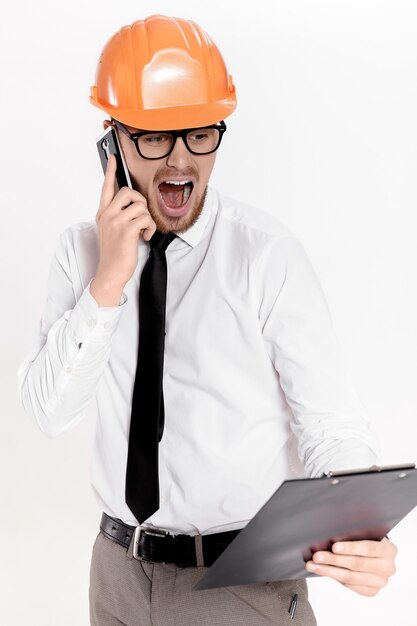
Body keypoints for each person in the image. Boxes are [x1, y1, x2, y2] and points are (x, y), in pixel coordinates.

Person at [18, 14, 397, 626]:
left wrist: (358, 527)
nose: (180, 161)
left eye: (199, 134)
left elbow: (330, 425)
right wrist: (109, 280)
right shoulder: (79, 256)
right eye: (154, 138)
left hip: (237, 582)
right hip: (115, 573)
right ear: (112, 141)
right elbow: (47, 411)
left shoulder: (266, 256)